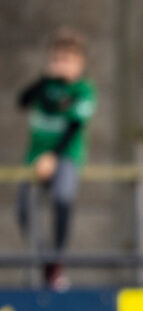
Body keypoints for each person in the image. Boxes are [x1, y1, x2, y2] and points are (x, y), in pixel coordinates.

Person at [16, 27, 96, 290]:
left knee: (62, 198)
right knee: (24, 211)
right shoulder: (44, 87)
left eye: (68, 60)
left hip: (65, 156)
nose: (62, 65)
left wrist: (52, 157)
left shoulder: (83, 90)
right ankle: (46, 263)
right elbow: (21, 101)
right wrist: (43, 79)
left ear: (79, 63)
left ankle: (57, 260)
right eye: (57, 59)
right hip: (34, 158)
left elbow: (74, 128)